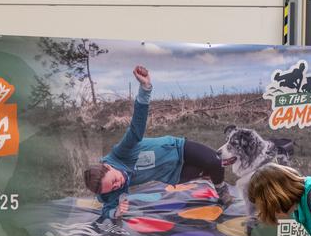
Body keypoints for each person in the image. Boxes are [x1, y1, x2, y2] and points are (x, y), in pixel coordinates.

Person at [83, 65, 232, 219]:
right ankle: (205, 174)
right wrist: (116, 212)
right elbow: (106, 209)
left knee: (216, 162)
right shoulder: (110, 189)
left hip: (177, 148)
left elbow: (136, 127)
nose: (117, 185)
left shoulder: (121, 152)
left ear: (108, 167)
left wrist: (145, 88)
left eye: (114, 180)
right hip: (174, 174)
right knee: (206, 171)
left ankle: (221, 190)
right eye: (113, 188)